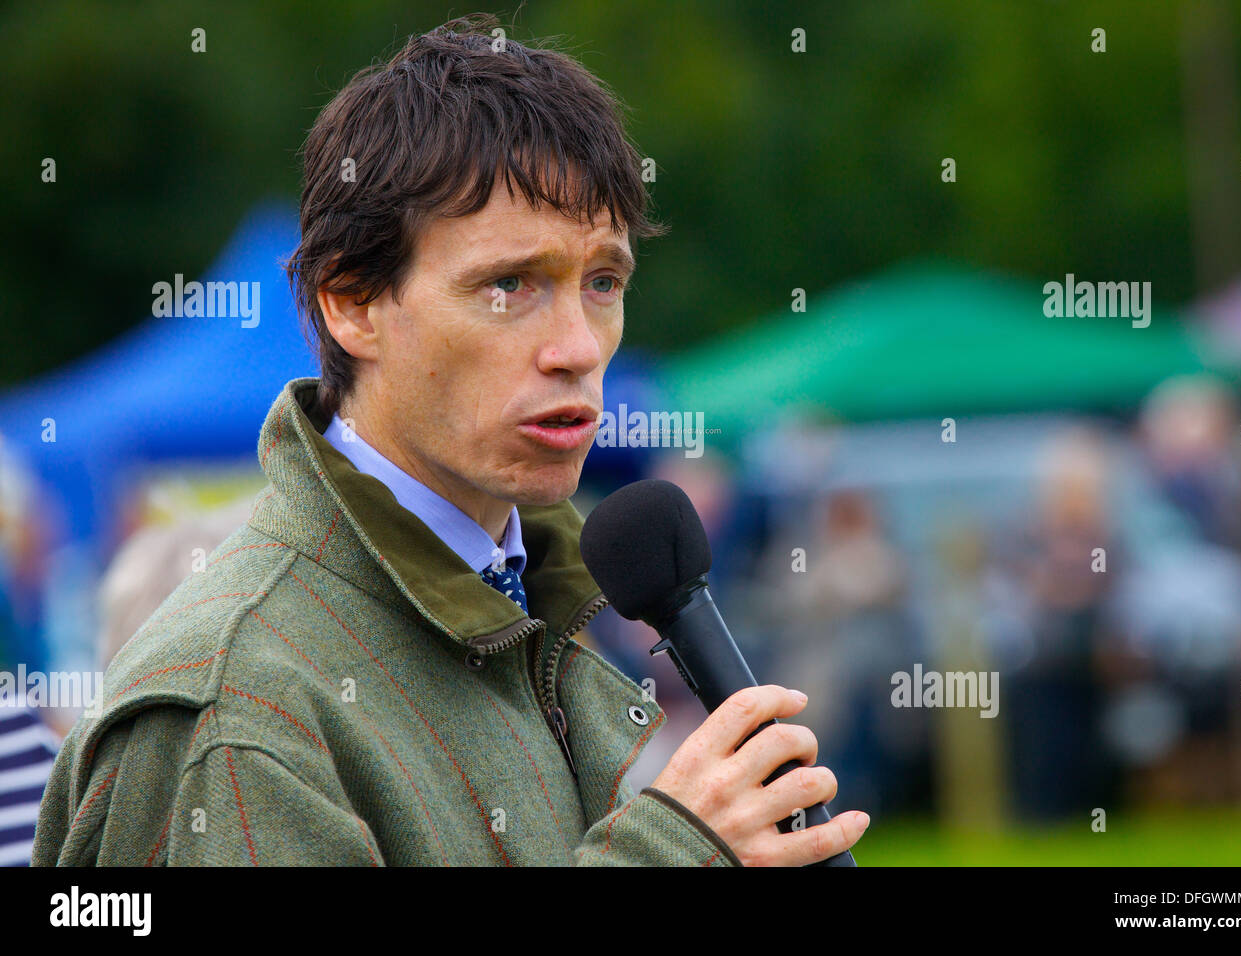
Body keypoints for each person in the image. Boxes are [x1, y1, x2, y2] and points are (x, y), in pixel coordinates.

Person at [33, 16, 868, 866]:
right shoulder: (235, 708)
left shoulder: (537, 597)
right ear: (351, 303)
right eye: (510, 284)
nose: (578, 346)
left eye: (604, 281)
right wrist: (670, 854)